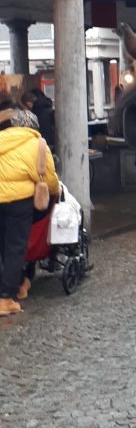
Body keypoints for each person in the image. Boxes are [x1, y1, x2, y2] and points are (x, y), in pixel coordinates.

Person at [0, 101, 59, 316]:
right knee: (16, 248)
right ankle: (6, 298)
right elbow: (50, 180)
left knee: (2, 248)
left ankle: (14, 285)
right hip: (19, 203)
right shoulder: (37, 145)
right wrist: (54, 192)